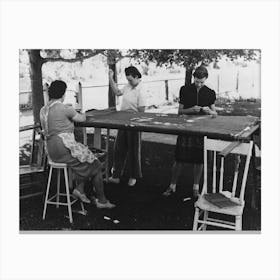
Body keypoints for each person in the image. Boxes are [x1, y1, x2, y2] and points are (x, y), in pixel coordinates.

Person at [40, 80, 115, 209]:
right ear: (63, 94)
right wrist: (83, 113)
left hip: (51, 151)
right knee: (96, 165)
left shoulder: (43, 109)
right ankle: (102, 201)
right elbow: (82, 118)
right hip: (63, 148)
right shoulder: (65, 108)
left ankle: (79, 190)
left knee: (83, 159)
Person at [162, 66, 217, 198]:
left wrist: (210, 111)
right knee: (179, 158)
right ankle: (172, 185)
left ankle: (196, 188)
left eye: (202, 82)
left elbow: (215, 114)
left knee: (199, 160)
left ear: (206, 79)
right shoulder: (185, 89)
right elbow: (180, 111)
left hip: (202, 129)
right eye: (197, 81)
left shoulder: (210, 92)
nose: (199, 84)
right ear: (193, 78)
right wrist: (191, 109)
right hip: (186, 128)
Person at [107, 66, 146, 186]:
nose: (129, 82)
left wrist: (135, 122)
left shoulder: (141, 90)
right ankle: (116, 175)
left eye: (130, 79)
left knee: (134, 150)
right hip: (123, 120)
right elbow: (117, 92)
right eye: (127, 80)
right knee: (119, 148)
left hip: (134, 122)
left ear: (136, 76)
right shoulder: (128, 86)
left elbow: (142, 111)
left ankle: (134, 175)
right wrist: (110, 77)